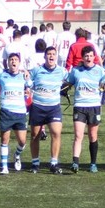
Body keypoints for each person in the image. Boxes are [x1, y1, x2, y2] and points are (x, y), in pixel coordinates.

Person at [67, 45, 105, 173]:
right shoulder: (76, 71)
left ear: (94, 57)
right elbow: (69, 83)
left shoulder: (100, 71)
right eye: (86, 56)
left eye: (91, 56)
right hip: (79, 106)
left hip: (94, 106)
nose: (88, 58)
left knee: (92, 135)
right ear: (82, 57)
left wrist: (103, 91)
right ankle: (75, 162)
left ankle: (93, 163)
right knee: (78, 135)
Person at [28, 46, 68, 174]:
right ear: (44, 57)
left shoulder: (62, 71)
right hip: (38, 107)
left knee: (56, 133)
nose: (51, 56)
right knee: (35, 136)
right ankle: (35, 163)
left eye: (53, 54)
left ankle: (54, 163)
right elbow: (27, 80)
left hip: (53, 108)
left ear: (56, 57)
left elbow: (71, 79)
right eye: (49, 54)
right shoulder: (36, 70)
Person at [0, 53, 32, 175]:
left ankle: (17, 155)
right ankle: (4, 167)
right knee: (4, 140)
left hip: (20, 113)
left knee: (22, 141)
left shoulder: (23, 76)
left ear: (19, 62)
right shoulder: (1, 76)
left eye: (15, 60)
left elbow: (31, 85)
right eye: (11, 59)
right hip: (6, 111)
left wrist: (27, 75)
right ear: (8, 62)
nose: (13, 62)